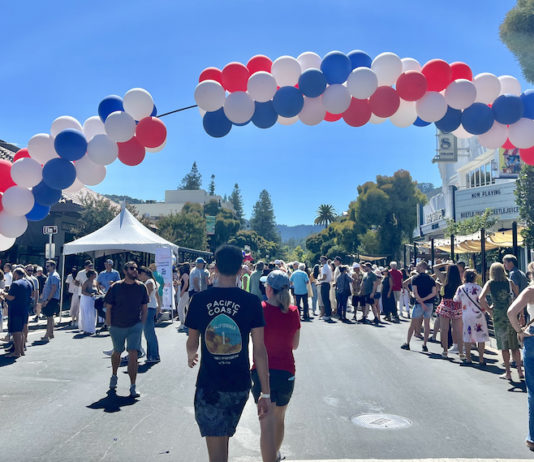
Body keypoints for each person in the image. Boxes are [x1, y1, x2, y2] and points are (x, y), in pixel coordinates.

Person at [185, 245, 273, 462]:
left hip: (209, 386)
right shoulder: (252, 302)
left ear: (214, 267)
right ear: (241, 269)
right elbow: (260, 350)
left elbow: (192, 341)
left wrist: (191, 355)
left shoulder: (199, 300)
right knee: (222, 441)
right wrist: (266, 393)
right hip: (239, 385)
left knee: (217, 452)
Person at [252, 270, 300, 462]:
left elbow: (256, 345)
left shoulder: (260, 309)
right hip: (286, 371)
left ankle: (269, 458)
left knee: (266, 423)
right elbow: (294, 345)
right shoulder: (293, 312)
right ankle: (275, 454)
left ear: (269, 289)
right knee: (279, 418)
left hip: (262, 372)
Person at [104, 261, 148, 398]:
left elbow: (144, 307)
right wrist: (109, 324)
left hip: (134, 325)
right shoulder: (116, 287)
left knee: (133, 353)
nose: (135, 271)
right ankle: (114, 375)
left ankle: (133, 386)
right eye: (131, 268)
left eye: (136, 268)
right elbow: (108, 307)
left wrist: (142, 323)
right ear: (125, 271)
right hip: (117, 325)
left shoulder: (141, 287)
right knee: (117, 352)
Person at [507, 261, 534, 452]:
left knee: (533, 391)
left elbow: (511, 312)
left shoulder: (531, 291)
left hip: (533, 337)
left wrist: (520, 331)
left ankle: (533, 437)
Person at [479, 262, 523, 381]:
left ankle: (508, 372)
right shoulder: (509, 282)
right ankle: (519, 371)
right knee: (514, 345)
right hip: (511, 315)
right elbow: (519, 298)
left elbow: (481, 299)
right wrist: (521, 314)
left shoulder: (490, 283)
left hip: (498, 316)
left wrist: (489, 310)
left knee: (504, 346)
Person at [454, 269, 489, 364]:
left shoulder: (461, 288)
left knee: (467, 335)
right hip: (479, 314)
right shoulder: (478, 288)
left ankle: (468, 358)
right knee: (481, 336)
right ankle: (481, 359)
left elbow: (456, 299)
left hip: (466, 314)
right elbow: (483, 301)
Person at [401, 261, 437, 352]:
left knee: (413, 324)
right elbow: (434, 293)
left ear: (421, 267)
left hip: (419, 304)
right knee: (427, 324)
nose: (416, 267)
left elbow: (415, 292)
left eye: (417, 266)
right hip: (429, 304)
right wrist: (425, 300)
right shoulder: (431, 279)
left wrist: (421, 302)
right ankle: (424, 344)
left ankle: (407, 343)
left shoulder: (415, 278)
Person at [2, 268, 32, 357]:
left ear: (16, 274)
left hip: (15, 310)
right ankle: (21, 350)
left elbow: (11, 297)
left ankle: (17, 352)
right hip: (24, 309)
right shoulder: (29, 283)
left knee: (16, 331)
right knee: (22, 330)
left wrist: (3, 293)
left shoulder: (15, 284)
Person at [435, 264, 463, 359]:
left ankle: (445, 351)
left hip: (446, 305)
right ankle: (461, 353)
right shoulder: (460, 282)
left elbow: (435, 268)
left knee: (444, 329)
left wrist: (445, 263)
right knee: (458, 330)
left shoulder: (445, 279)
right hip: (457, 305)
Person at [138, 266, 161, 363]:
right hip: (150, 308)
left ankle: (154, 356)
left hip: (148, 309)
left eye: (140, 275)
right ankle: (151, 355)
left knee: (149, 333)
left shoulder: (149, 282)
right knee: (148, 333)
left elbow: (145, 297)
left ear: (143, 273)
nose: (139, 278)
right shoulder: (151, 281)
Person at [40, 260, 61, 342]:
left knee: (49, 318)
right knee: (50, 317)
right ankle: (51, 333)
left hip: (52, 299)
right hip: (49, 298)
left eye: (48, 266)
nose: (46, 267)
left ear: (53, 266)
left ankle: (47, 335)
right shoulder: (50, 275)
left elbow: (54, 289)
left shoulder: (54, 276)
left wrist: (47, 300)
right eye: (46, 266)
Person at [79, 270, 100, 335]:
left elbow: (98, 290)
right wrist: (89, 295)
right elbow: (82, 291)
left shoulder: (95, 282)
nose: (95, 275)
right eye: (94, 274)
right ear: (91, 275)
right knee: (87, 314)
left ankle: (92, 328)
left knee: (93, 314)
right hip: (87, 300)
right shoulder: (86, 282)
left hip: (93, 299)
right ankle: (86, 329)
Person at [318, 256, 333, 322]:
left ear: (324, 260)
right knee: (327, 300)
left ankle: (327, 314)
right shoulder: (328, 266)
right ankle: (328, 313)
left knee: (325, 300)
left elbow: (324, 277)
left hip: (324, 284)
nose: (321, 261)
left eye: (322, 260)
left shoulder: (324, 267)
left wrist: (319, 279)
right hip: (327, 284)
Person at [177, 264, 190, 333]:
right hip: (187, 292)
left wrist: (182, 292)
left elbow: (186, 284)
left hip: (185, 292)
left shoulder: (184, 274)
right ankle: (186, 323)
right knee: (187, 307)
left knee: (180, 307)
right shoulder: (187, 274)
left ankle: (183, 323)